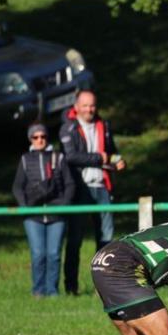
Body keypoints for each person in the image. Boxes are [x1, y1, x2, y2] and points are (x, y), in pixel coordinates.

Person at [60, 90, 126, 295]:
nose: (90, 110)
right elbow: (71, 157)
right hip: (79, 189)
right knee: (75, 240)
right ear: (77, 107)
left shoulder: (104, 126)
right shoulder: (68, 128)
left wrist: (118, 161)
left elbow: (111, 152)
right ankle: (71, 287)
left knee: (106, 241)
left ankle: (104, 287)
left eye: (93, 106)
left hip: (102, 187)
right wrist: (100, 158)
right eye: (86, 106)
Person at [12, 123, 75, 298]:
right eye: (35, 137)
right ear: (30, 139)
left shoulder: (58, 157)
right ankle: (38, 291)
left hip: (57, 214)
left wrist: (64, 203)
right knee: (38, 254)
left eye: (43, 136)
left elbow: (70, 184)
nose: (40, 140)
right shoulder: (25, 159)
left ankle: (53, 291)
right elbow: (17, 187)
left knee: (54, 254)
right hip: (33, 216)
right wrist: (24, 205)